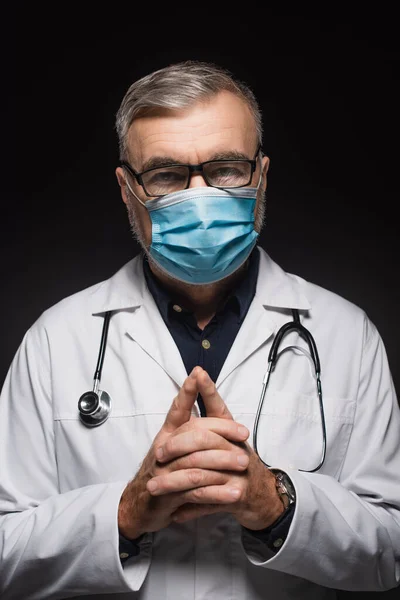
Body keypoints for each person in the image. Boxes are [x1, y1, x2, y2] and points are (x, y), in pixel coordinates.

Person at [0, 60, 399, 600]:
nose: (200, 197)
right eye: (166, 175)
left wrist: (277, 503)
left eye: (226, 169)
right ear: (126, 190)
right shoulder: (55, 341)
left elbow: (391, 551)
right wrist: (126, 513)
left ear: (261, 176)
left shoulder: (347, 336)